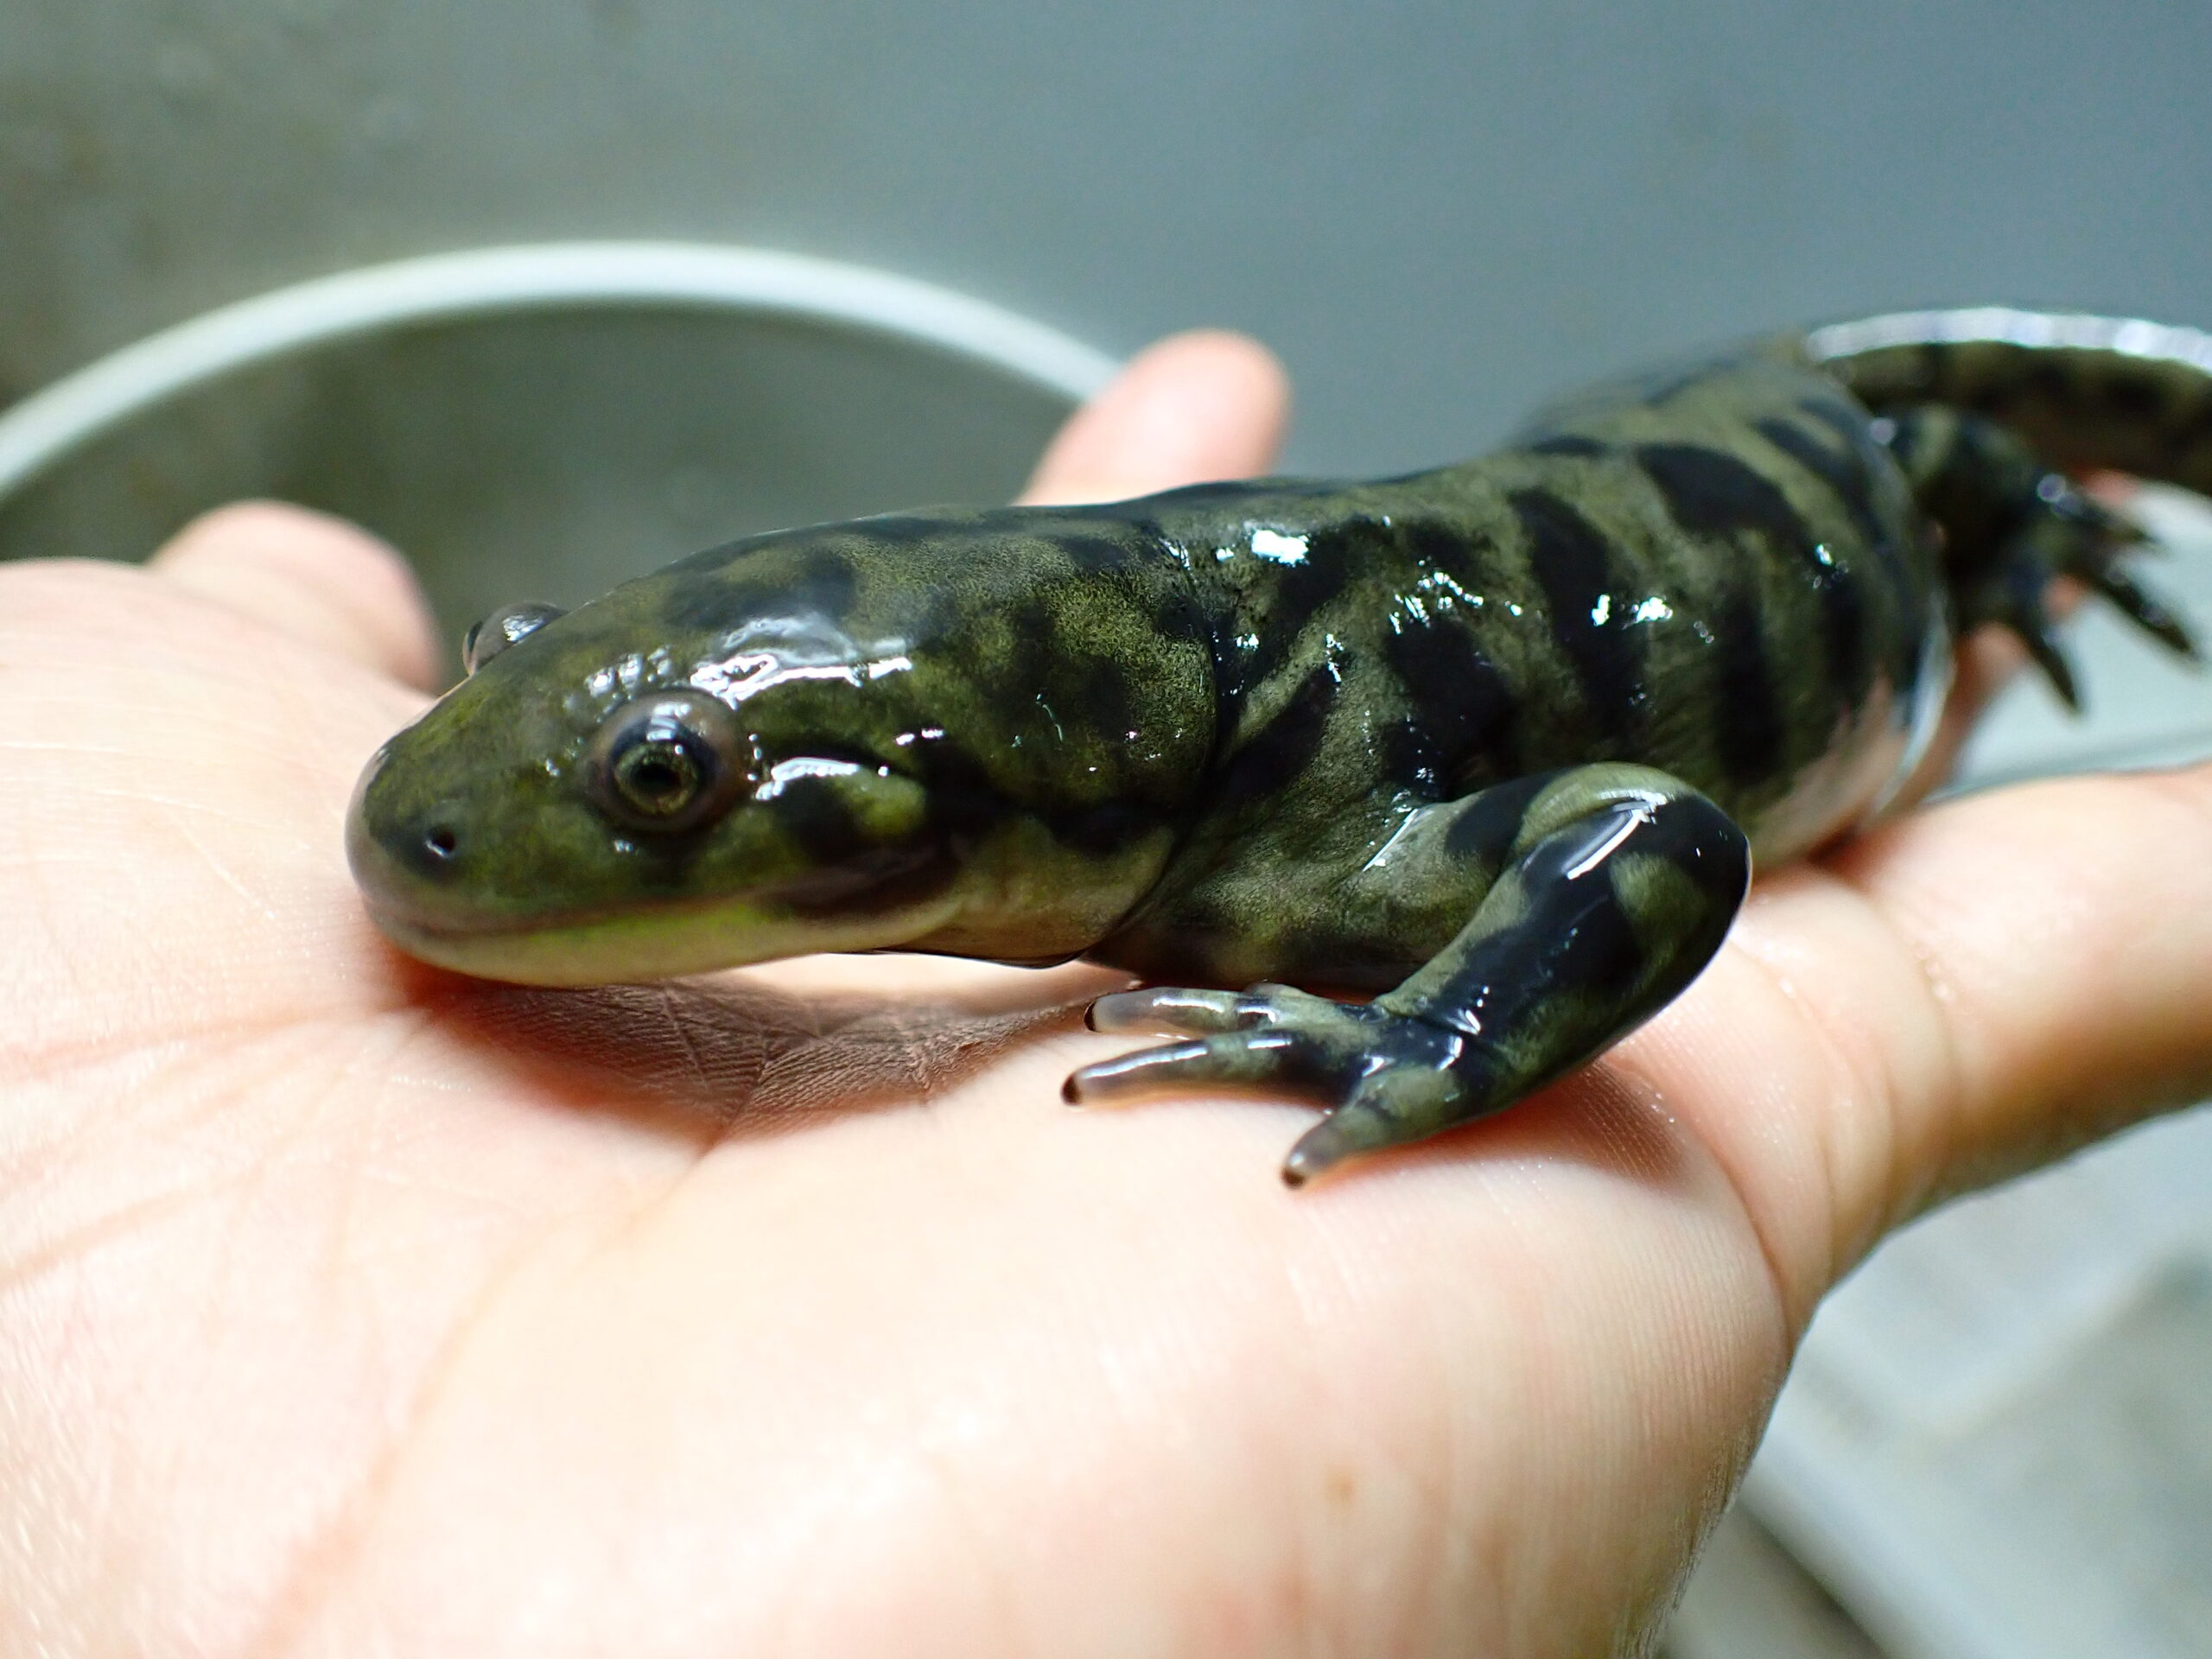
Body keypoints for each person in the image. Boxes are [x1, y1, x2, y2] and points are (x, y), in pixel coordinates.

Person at [2, 330, 2204, 1657]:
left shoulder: (1323, 825)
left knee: (1923, 447)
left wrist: (1437, 1039)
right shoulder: (1201, 797)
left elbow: (1655, 835)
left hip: (1826, 458)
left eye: (668, 782)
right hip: (1620, 446)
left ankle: (2002, 502)